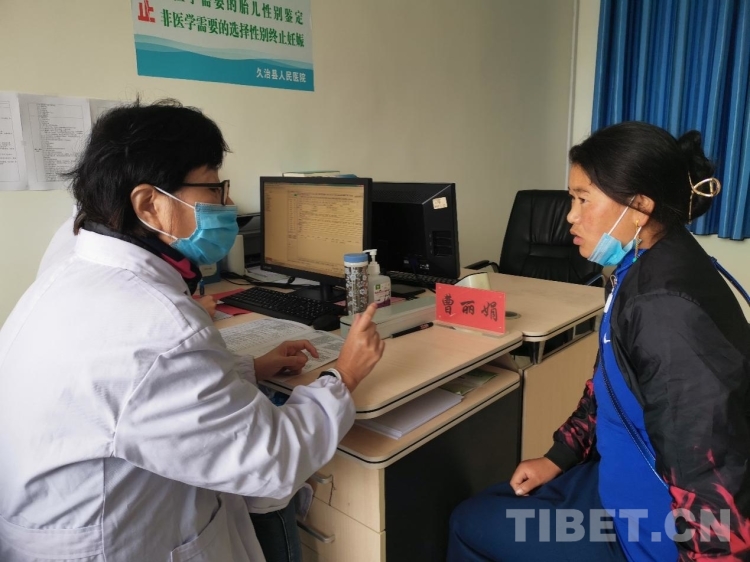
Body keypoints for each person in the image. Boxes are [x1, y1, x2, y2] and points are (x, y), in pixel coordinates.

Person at [0, 99, 385, 562]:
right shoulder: (158, 324)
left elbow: (140, 393)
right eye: (214, 188)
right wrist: (344, 375)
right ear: (149, 204)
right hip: (109, 541)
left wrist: (249, 367)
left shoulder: (73, 265)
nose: (227, 204)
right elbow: (272, 462)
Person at [448, 121, 750, 561]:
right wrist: (559, 456)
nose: (570, 216)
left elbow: (713, 480)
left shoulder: (666, 312)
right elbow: (608, 385)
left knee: (468, 521)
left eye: (583, 199)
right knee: (497, 500)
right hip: (615, 484)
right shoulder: (646, 263)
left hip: (640, 533)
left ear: (639, 206)